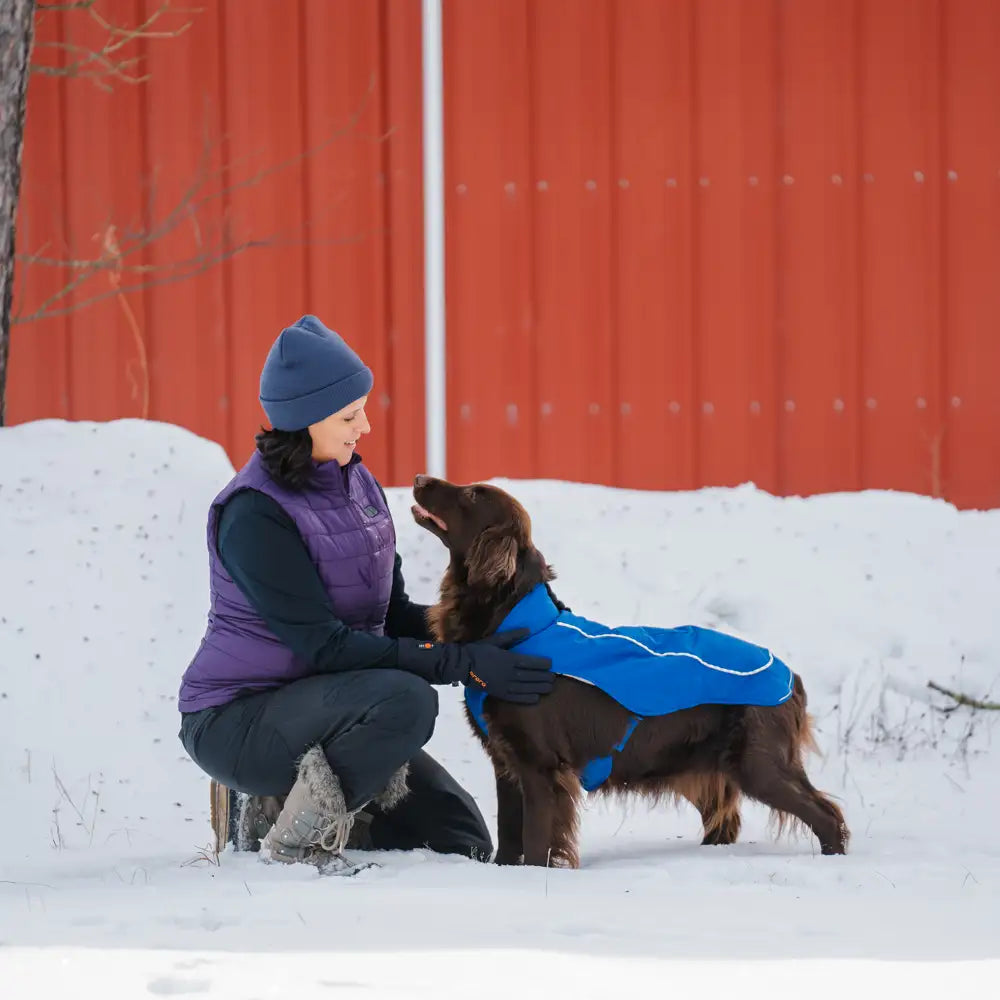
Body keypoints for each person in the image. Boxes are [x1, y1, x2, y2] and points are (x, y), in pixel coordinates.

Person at [177, 315, 555, 868]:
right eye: (350, 415)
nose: (366, 426)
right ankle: (291, 839)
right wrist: (460, 663)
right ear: (305, 420)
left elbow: (391, 613)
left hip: (333, 705)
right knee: (408, 700)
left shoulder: (355, 484)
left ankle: (313, 809)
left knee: (460, 838)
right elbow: (324, 646)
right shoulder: (254, 514)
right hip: (241, 720)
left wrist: (487, 636)